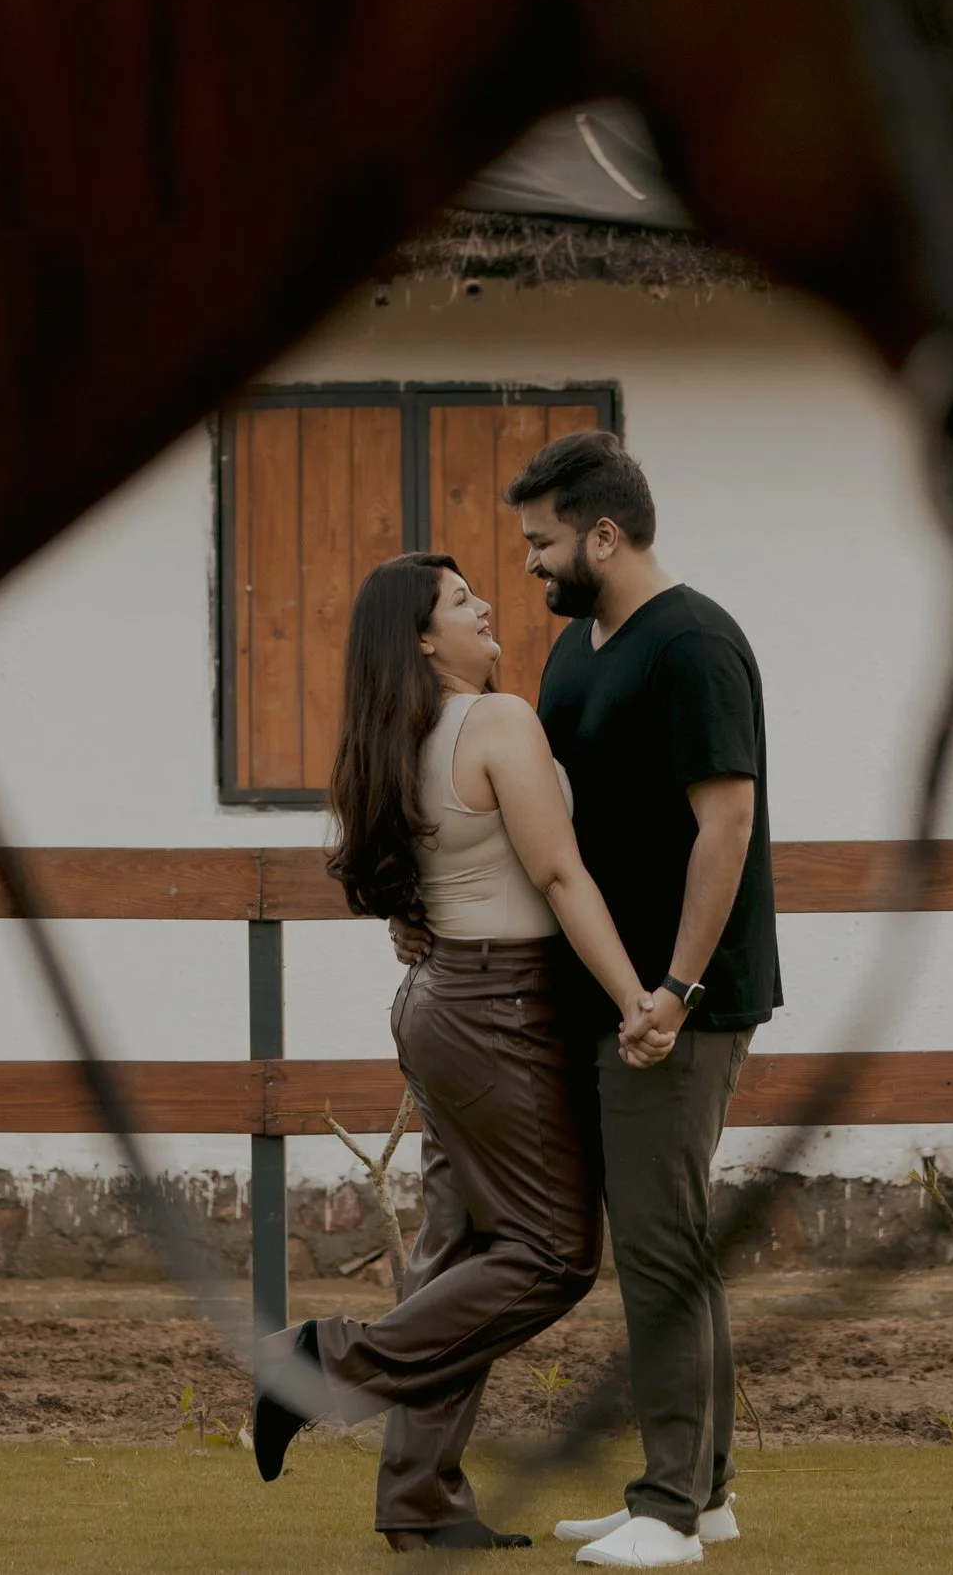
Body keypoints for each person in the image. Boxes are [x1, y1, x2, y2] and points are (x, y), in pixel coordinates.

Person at [251, 551, 657, 1552]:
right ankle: (320, 1363)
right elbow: (557, 873)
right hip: (500, 1008)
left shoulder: (394, 740)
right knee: (554, 1255)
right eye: (460, 601)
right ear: (424, 640)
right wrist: (633, 997)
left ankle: (420, 1499)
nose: (484, 608)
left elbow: (413, 880)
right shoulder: (497, 720)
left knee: (459, 1255)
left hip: (440, 1005)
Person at [506, 431, 781, 1571]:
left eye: (543, 540)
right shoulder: (575, 653)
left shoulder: (694, 642)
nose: (530, 562)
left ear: (604, 535)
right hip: (619, 998)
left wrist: (674, 988)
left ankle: (668, 1509)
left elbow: (727, 822)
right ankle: (702, 1496)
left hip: (683, 1004)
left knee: (663, 1247)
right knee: (668, 1240)